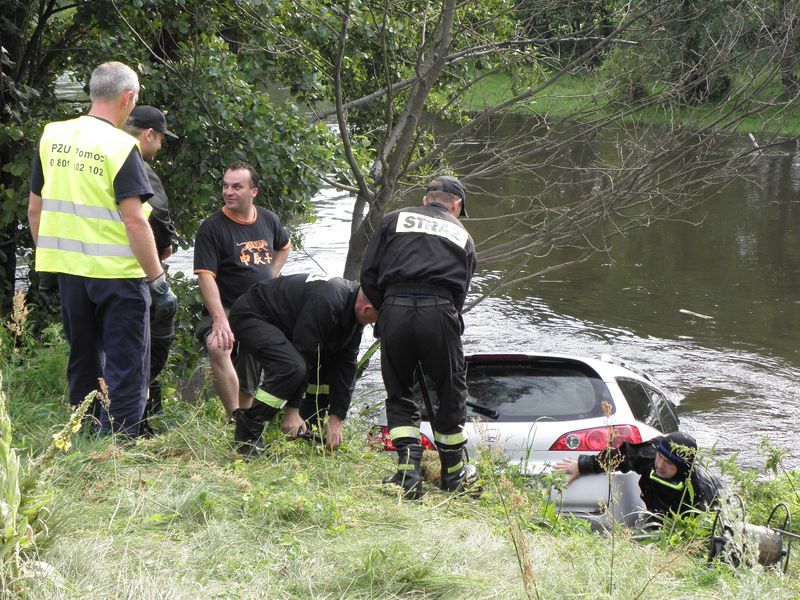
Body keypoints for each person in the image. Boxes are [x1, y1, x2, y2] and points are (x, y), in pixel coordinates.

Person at [27, 61, 176, 437]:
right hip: (118, 275)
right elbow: (134, 220)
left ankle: (83, 433)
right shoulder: (122, 146)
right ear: (128, 97)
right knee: (126, 365)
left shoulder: (52, 135)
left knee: (83, 357)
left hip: (70, 272)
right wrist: (157, 280)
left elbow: (35, 208)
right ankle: (118, 449)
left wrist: (46, 263)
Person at [360, 175, 477, 499]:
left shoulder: (392, 220)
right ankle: (453, 476)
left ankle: (408, 474)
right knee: (450, 389)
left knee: (399, 390)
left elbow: (368, 274)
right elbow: (462, 290)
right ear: (456, 205)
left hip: (394, 309)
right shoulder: (462, 235)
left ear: (426, 199)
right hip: (440, 311)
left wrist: (387, 310)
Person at [227, 273, 378, 455]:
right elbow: (304, 351)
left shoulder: (353, 312)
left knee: (326, 361)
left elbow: (346, 366)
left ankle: (310, 423)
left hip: (285, 326)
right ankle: (247, 434)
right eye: (377, 320)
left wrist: (336, 418)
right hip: (252, 315)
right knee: (291, 367)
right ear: (367, 309)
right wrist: (292, 410)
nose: (375, 325)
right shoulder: (329, 300)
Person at [193, 163, 291, 418]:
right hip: (225, 305)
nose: (229, 191)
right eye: (225, 186)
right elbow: (205, 277)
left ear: (253, 191)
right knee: (218, 345)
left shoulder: (268, 219)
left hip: (259, 307)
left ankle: (247, 417)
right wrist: (219, 319)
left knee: (260, 353)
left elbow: (284, 246)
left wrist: (273, 273)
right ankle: (233, 415)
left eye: (237, 186)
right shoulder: (212, 227)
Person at [123, 105, 179, 435]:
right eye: (160, 140)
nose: (159, 147)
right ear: (148, 135)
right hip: (138, 269)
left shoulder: (101, 154)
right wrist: (166, 241)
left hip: (91, 269)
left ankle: (108, 418)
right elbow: (155, 212)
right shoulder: (136, 163)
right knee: (151, 341)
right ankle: (139, 420)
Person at [554, 431, 720, 520]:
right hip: (654, 510)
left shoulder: (699, 489)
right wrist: (582, 466)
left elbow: (711, 521)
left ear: (683, 468)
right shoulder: (649, 456)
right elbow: (622, 456)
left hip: (679, 518)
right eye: (660, 457)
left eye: (669, 463)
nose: (660, 465)